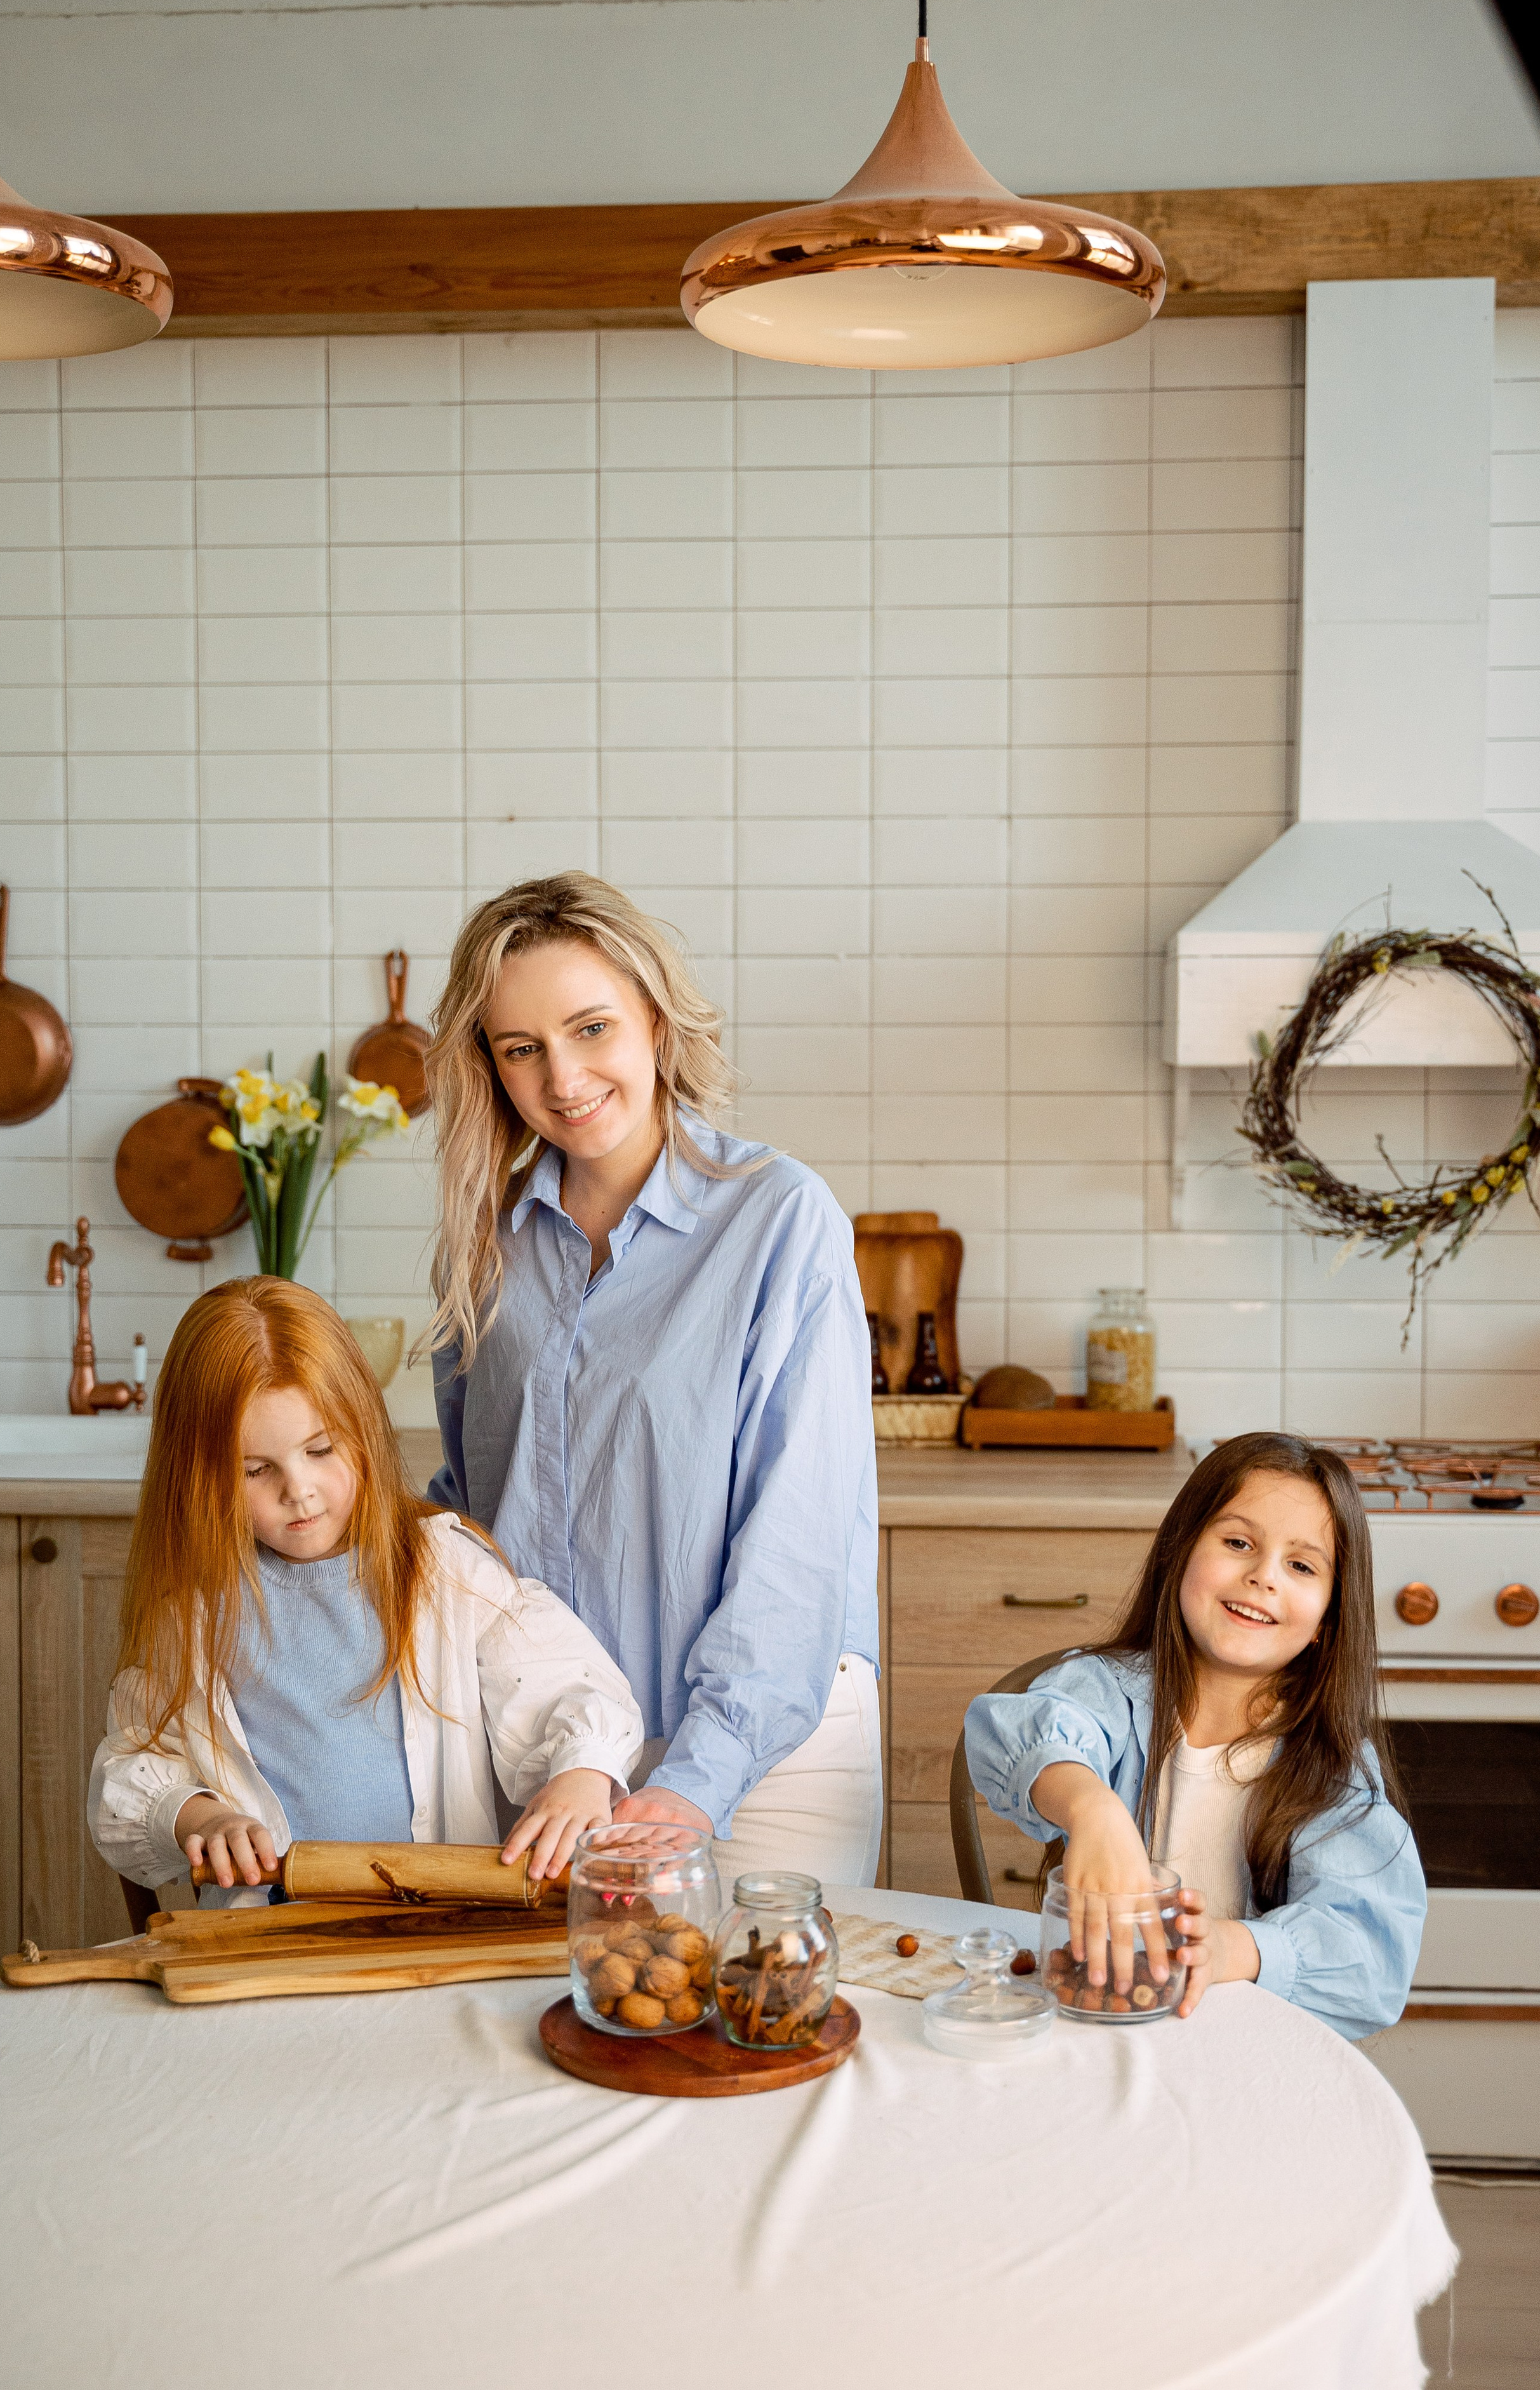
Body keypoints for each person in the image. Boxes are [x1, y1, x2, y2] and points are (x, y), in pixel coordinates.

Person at [423, 872, 882, 1888]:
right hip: (547, 1745)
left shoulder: (778, 1218)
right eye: (521, 1047)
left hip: (764, 1751)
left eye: (593, 1028)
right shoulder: (482, 1245)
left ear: (658, 1026)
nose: (564, 1076)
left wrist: (696, 1778)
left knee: (765, 2028)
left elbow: (799, 1535)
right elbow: (468, 1516)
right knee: (553, 2029)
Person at [90, 1277, 642, 1904]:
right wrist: (200, 1818)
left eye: (320, 1449)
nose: (299, 1490)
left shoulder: (443, 1568)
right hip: (270, 1951)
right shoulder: (192, 1616)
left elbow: (569, 1688)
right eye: (255, 1470)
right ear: (198, 1477)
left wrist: (582, 1774)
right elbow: (126, 1777)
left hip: (430, 1937)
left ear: (363, 1431)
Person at [965, 1432, 1424, 2040]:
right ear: (1180, 1551)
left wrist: (1233, 1948)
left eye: (1301, 1565)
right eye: (1238, 1542)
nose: (1263, 1577)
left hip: (1243, 2054)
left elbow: (1371, 1961)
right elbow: (1019, 1734)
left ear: (1326, 1620)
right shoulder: (1110, 1690)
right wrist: (1091, 1808)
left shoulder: (1331, 1768)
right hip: (1094, 2029)